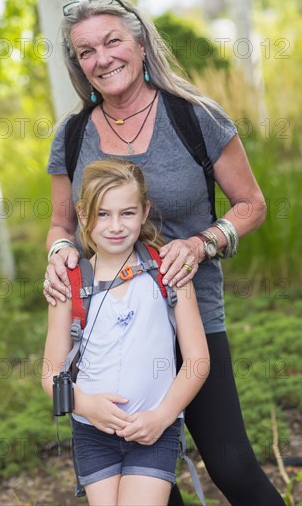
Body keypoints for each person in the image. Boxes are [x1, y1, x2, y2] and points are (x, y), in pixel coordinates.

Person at [44, 0, 285, 505]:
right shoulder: (72, 135)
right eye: (86, 51)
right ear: (78, 65)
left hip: (189, 311)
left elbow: (252, 204)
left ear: (141, 42)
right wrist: (57, 257)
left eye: (112, 41)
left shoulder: (195, 117)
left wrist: (202, 244)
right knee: (144, 472)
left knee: (231, 464)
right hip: (109, 327)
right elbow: (61, 226)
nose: (101, 58)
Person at [42, 158, 210, 506]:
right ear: (83, 215)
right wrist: (86, 405)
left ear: (145, 211)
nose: (115, 225)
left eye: (127, 213)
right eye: (102, 214)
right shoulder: (69, 282)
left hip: (155, 429)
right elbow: (50, 373)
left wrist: (162, 417)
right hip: (92, 433)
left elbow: (198, 360)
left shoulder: (169, 271)